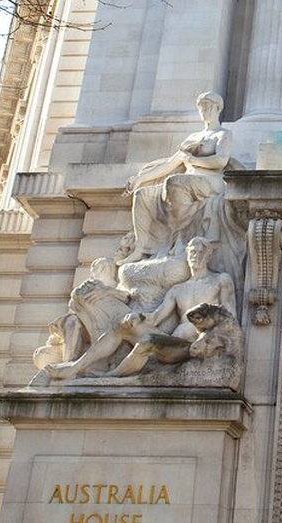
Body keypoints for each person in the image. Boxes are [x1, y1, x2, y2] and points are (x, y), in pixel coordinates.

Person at [119, 91, 234, 265]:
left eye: (209, 107)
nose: (205, 111)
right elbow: (169, 165)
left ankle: (180, 239)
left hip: (211, 181)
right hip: (186, 181)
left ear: (218, 109)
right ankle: (141, 248)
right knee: (142, 195)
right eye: (202, 108)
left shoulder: (223, 134)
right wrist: (140, 179)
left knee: (175, 182)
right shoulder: (192, 137)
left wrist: (193, 160)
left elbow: (221, 160)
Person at [107, 237, 236, 377]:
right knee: (121, 328)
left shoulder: (220, 280)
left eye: (201, 253)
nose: (196, 256)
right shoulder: (177, 289)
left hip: (197, 345)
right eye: (193, 252)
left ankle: (113, 376)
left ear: (208, 257)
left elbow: (229, 317)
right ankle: (92, 371)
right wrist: (138, 316)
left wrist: (207, 337)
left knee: (146, 341)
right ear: (187, 255)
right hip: (175, 343)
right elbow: (155, 318)